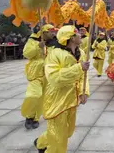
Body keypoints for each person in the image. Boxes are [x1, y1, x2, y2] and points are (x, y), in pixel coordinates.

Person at [34, 25, 89, 153]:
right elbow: (54, 77)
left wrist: (83, 91)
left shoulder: (80, 53)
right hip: (57, 100)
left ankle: (41, 142)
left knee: (67, 131)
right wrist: (78, 68)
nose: (81, 35)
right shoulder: (55, 55)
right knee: (59, 138)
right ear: (71, 38)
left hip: (72, 99)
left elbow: (83, 77)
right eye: (77, 33)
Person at [21, 24, 54, 130]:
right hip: (35, 73)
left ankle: (35, 118)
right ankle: (28, 116)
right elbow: (26, 54)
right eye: (50, 31)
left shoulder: (53, 43)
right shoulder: (33, 40)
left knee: (41, 98)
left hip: (47, 74)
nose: (53, 33)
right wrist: (37, 47)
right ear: (44, 32)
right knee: (33, 95)